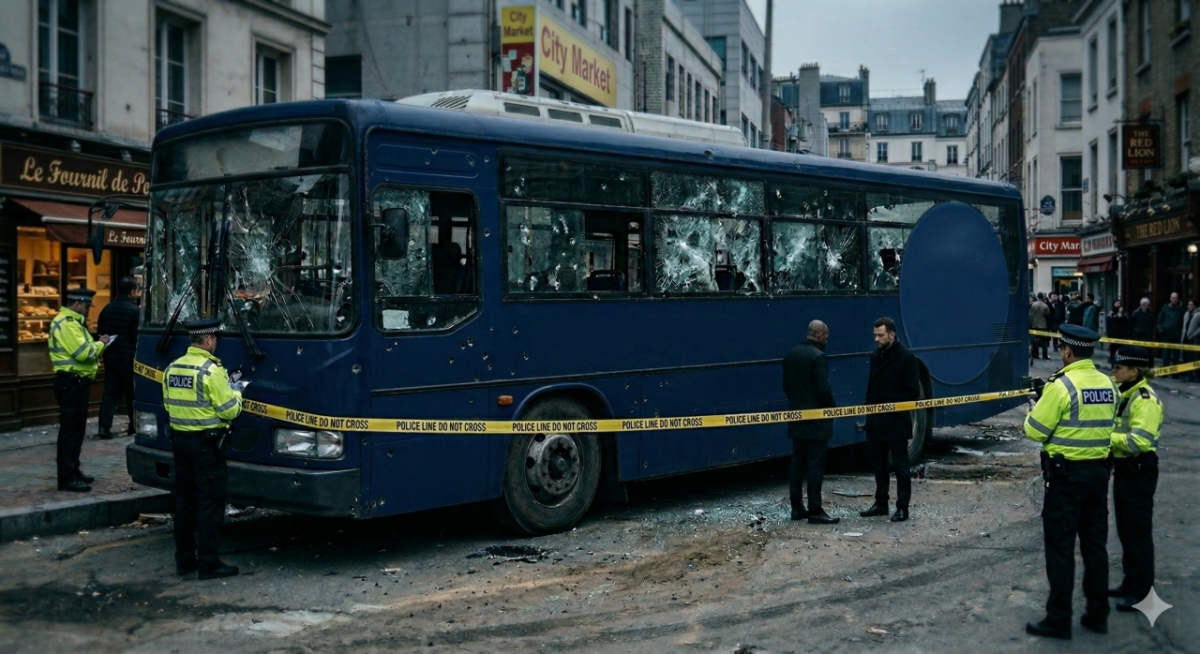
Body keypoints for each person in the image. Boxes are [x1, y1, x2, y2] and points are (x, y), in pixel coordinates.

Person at [1023, 324, 1117, 639]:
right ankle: (1098, 614)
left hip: (1066, 480)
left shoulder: (1061, 386)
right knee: (1095, 548)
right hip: (1099, 476)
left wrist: (1035, 406)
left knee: (1061, 549)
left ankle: (1059, 619)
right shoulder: (1109, 384)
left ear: (1066, 351)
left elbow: (1035, 430)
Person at [164, 318, 245, 580]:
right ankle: (209, 563)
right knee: (210, 504)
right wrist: (237, 392)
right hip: (206, 446)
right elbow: (229, 410)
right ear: (209, 340)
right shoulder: (211, 371)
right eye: (215, 339)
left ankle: (184, 560)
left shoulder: (173, 368)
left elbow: (169, 406)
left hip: (180, 443)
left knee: (185, 502)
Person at [1106, 346, 1164, 614]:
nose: (1113, 371)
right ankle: (1130, 582)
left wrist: (1107, 439)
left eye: (1118, 368)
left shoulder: (1144, 400)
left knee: (1138, 532)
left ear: (1134, 371)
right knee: (1127, 530)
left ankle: (1141, 592)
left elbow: (1139, 441)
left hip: (1139, 468)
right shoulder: (1126, 393)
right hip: (1126, 468)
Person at [48, 288, 115, 492]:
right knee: (70, 431)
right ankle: (67, 478)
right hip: (71, 383)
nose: (88, 310)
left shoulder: (73, 322)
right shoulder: (67, 324)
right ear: (77, 304)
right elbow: (83, 353)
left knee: (76, 431)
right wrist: (102, 344)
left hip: (77, 383)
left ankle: (73, 470)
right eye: (87, 306)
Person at [859, 317, 921, 523]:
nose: (876, 339)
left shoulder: (906, 358)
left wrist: (893, 408)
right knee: (879, 465)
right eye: (875, 335)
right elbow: (870, 385)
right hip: (876, 421)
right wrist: (869, 409)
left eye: (880, 335)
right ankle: (881, 503)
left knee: (901, 467)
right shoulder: (875, 356)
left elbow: (912, 390)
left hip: (896, 422)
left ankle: (902, 507)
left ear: (892, 335)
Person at [782, 320, 839, 525]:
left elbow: (786, 386)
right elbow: (823, 389)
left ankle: (796, 507)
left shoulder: (791, 355)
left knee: (797, 463)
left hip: (796, 417)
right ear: (821, 335)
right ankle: (815, 510)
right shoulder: (818, 357)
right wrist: (831, 407)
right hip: (816, 420)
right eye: (827, 337)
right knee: (815, 465)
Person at [97, 277, 141, 439]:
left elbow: (101, 332)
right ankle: (134, 425)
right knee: (131, 393)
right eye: (137, 289)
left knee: (110, 393)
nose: (139, 292)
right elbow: (136, 337)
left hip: (110, 356)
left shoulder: (107, 309)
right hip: (128, 358)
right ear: (131, 293)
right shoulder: (135, 311)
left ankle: (104, 427)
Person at [1156, 293, 1186, 371]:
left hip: (1177, 335)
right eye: (1172, 298)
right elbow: (1159, 320)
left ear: (1178, 299)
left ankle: (1174, 371)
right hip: (1166, 334)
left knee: (1176, 355)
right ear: (1170, 298)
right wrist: (1161, 329)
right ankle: (1166, 370)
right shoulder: (1165, 307)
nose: (1174, 299)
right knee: (1165, 354)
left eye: (1175, 298)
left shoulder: (1182, 308)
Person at [1130, 298, 1155, 365]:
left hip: (1148, 336)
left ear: (1148, 304)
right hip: (1138, 335)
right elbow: (1132, 323)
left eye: (1145, 303)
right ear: (1140, 304)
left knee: (1148, 352)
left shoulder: (1151, 313)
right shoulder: (1136, 312)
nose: (1144, 305)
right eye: (1143, 303)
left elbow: (1153, 323)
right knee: (1138, 351)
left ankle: (1149, 365)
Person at [1105, 300, 1130, 365]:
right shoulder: (1111, 313)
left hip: (1122, 335)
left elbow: (1127, 321)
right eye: (1116, 303)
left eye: (1119, 303)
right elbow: (1110, 322)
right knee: (1113, 350)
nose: (1118, 305)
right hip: (1113, 335)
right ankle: (1113, 363)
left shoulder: (1124, 313)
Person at [1029, 294, 1051, 361]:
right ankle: (1045, 355)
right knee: (1044, 341)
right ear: (1043, 297)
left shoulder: (1033, 305)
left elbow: (1030, 313)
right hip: (1042, 325)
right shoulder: (1045, 305)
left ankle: (1036, 354)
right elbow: (1048, 313)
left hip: (1034, 325)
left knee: (1035, 340)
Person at [1184, 301, 1200, 382]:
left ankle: (1197, 376)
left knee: (1196, 359)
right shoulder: (1187, 314)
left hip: (1195, 340)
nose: (1189, 306)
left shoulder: (1198, 314)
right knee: (1189, 358)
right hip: (1187, 339)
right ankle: (1190, 375)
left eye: (1191, 305)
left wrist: (1192, 335)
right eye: (1189, 304)